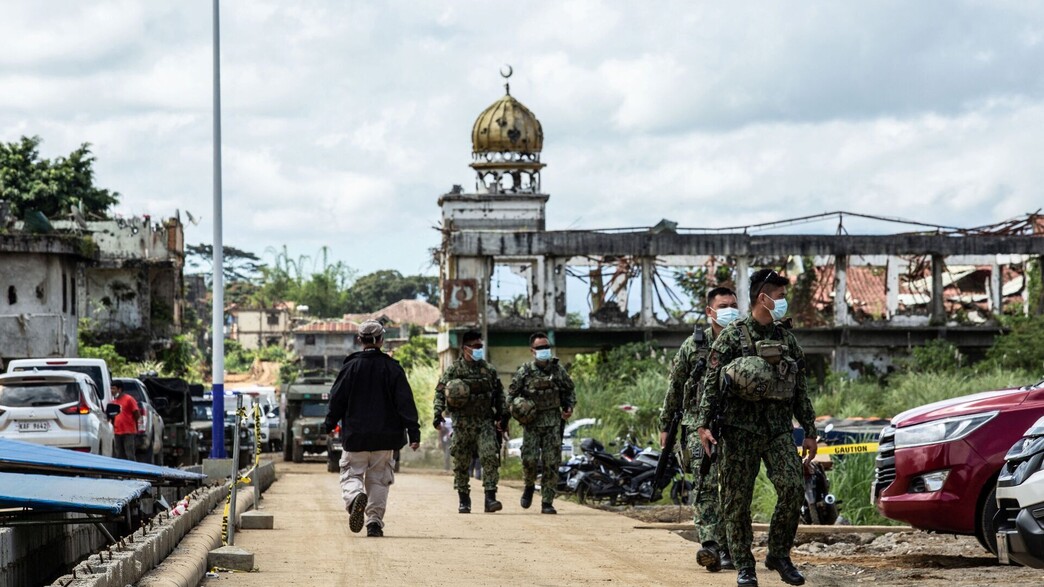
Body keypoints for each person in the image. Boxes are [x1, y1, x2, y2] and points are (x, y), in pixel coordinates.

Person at [696, 269, 817, 587]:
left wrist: (811, 430)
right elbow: (712, 383)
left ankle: (779, 554)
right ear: (763, 298)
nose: (783, 302)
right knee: (736, 500)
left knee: (792, 490)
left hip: (778, 430)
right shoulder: (732, 336)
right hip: (739, 430)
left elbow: (799, 388)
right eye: (779, 297)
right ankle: (744, 565)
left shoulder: (786, 339)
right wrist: (703, 425)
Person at [658, 286, 739, 572]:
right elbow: (675, 387)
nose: (730, 309)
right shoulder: (693, 346)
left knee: (734, 487)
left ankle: (731, 546)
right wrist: (666, 425)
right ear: (710, 311)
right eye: (724, 305)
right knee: (705, 480)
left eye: (733, 304)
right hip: (696, 425)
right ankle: (710, 545)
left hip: (736, 424)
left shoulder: (744, 341)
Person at [324, 320, 420, 537]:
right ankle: (374, 522)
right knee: (379, 478)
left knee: (351, 474)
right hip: (385, 439)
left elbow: (337, 399)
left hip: (355, 436)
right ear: (381, 340)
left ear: (360, 340)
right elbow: (406, 402)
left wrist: (329, 424)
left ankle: (355, 497)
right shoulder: (393, 368)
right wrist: (413, 433)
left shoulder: (350, 367)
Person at [433, 330, 507, 514]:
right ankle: (464, 500)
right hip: (462, 423)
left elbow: (499, 394)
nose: (478, 349)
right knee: (461, 462)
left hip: (485, 422)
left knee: (490, 456)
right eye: (475, 346)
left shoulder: (488, 370)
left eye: (480, 346)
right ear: (464, 348)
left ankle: (490, 498)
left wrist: (503, 415)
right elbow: (440, 392)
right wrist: (437, 413)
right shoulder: (454, 370)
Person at [508, 332, 576, 514]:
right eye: (540, 348)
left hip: (553, 422)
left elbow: (569, 390)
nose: (544, 350)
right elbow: (511, 396)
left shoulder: (557, 370)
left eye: (546, 347)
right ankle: (529, 486)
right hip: (532, 424)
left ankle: (547, 501)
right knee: (529, 460)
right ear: (532, 350)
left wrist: (569, 406)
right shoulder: (525, 372)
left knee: (551, 462)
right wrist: (518, 410)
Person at [110, 380, 141, 462]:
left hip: (128, 432)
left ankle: (132, 473)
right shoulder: (113, 402)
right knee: (119, 455)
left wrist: (132, 424)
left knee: (129, 454)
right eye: (111, 389)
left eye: (113, 389)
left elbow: (137, 414)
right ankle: (121, 474)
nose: (112, 391)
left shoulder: (129, 399)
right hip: (117, 432)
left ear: (119, 389)